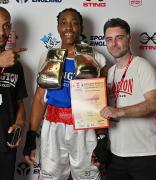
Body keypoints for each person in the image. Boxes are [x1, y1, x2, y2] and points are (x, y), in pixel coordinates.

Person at [23, 8, 108, 180]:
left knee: (88, 176)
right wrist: (31, 135)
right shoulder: (48, 56)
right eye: (63, 23)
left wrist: (102, 137)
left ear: (81, 27)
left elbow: (100, 100)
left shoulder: (95, 58)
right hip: (53, 125)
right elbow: (40, 98)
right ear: (58, 27)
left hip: (84, 126)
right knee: (50, 177)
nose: (68, 27)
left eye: (74, 23)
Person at [100, 18, 156, 180]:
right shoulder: (109, 73)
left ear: (129, 38)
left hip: (145, 154)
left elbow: (153, 104)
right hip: (115, 154)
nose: (114, 43)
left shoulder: (143, 66)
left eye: (119, 37)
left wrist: (118, 112)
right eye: (109, 39)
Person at [0, 6, 28, 180]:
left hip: (6, 144)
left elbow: (19, 102)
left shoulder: (15, 65)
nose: (2, 32)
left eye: (5, 26)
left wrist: (20, 122)